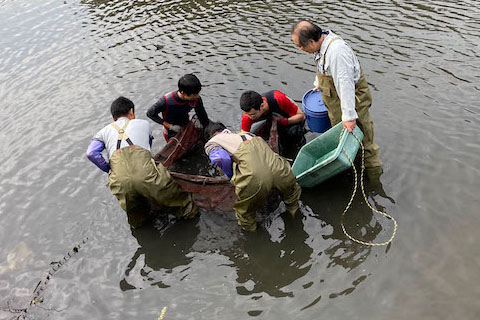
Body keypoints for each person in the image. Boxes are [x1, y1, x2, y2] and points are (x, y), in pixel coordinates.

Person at [86, 96, 197, 228]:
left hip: (120, 181)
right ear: (131, 112)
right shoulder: (143, 124)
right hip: (147, 176)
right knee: (180, 202)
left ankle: (143, 229)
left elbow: (91, 153)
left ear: (113, 117)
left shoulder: (102, 132)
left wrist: (109, 168)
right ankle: (191, 223)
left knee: (137, 217)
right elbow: (147, 149)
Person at [291, 20, 382, 172]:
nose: (300, 49)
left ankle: (374, 178)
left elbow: (345, 84)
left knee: (365, 144)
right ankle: (353, 166)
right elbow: (324, 69)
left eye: (300, 46)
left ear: (312, 41)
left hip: (353, 104)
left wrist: (349, 117)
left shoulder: (337, 52)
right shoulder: (320, 48)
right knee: (345, 142)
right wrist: (318, 84)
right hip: (336, 105)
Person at [204, 122, 301, 231]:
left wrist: (232, 176)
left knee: (245, 214)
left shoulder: (212, 142)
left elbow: (220, 158)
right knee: (292, 197)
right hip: (280, 169)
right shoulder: (248, 135)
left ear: (211, 136)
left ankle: (254, 240)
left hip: (256, 177)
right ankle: (296, 222)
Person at [146, 73, 210, 142]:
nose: (197, 96)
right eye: (194, 94)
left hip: (186, 125)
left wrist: (204, 126)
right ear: (183, 93)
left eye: (198, 93)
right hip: (171, 131)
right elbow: (150, 113)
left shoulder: (196, 99)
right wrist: (170, 126)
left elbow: (202, 115)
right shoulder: (166, 101)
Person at [240, 90, 306, 149]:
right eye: (247, 113)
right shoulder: (247, 116)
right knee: (254, 133)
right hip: (270, 119)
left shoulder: (278, 99)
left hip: (287, 116)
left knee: (293, 132)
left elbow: (302, 116)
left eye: (252, 114)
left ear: (262, 106)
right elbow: (244, 136)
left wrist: (286, 121)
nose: (249, 117)